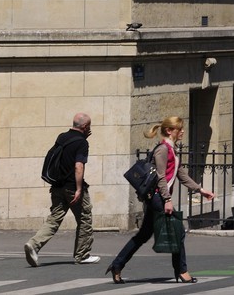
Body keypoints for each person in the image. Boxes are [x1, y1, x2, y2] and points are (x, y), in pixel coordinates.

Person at [107, 117, 216, 284]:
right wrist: (167, 199)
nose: (183, 131)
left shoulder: (171, 149)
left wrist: (200, 190)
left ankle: (117, 265)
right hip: (158, 197)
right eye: (179, 129)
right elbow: (160, 176)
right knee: (177, 231)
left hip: (157, 198)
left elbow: (181, 174)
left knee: (143, 235)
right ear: (169, 131)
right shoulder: (163, 150)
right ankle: (182, 271)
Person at [24, 112, 99, 266]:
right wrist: (79, 189)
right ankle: (82, 254)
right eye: (89, 126)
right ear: (85, 127)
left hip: (57, 187)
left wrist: (83, 138)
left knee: (54, 218)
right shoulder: (82, 143)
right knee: (85, 217)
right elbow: (78, 166)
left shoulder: (62, 137)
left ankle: (33, 244)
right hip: (73, 187)